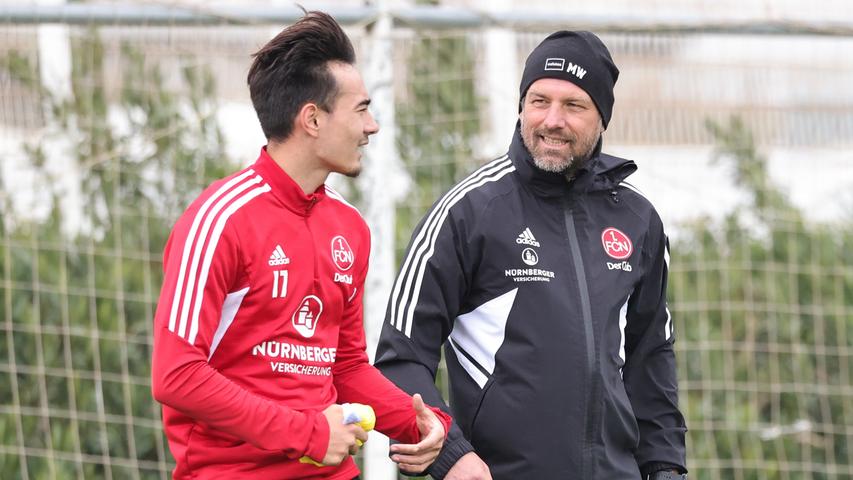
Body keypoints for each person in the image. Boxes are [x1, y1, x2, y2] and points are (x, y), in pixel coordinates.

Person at [151, 11, 451, 480]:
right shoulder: (219, 220)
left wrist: (423, 425)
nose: (371, 126)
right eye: (361, 109)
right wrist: (307, 433)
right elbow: (176, 375)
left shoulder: (349, 227)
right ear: (312, 118)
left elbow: (345, 366)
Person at [375, 31, 688, 479]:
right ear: (521, 106)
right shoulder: (469, 211)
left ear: (602, 117)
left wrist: (666, 468)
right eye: (539, 101)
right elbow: (399, 358)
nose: (552, 120)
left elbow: (650, 357)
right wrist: (452, 455)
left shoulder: (638, 219)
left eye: (573, 105)